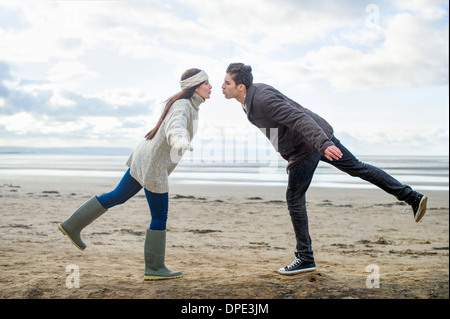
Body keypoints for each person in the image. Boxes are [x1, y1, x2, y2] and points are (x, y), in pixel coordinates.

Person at [222, 63, 428, 275]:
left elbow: (298, 118)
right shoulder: (250, 99)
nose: (222, 86)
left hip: (307, 145)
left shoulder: (263, 99)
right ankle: (412, 196)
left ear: (241, 87)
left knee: (294, 198)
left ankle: (305, 258)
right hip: (316, 139)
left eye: (227, 82)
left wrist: (322, 144)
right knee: (357, 167)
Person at [58, 68, 212, 280]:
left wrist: (179, 140)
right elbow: (175, 126)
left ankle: (72, 225)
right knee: (159, 216)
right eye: (207, 83)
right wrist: (179, 140)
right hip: (153, 165)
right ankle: (155, 268)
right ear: (195, 86)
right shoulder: (184, 105)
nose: (210, 87)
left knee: (116, 196)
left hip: (145, 157)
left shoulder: (189, 105)